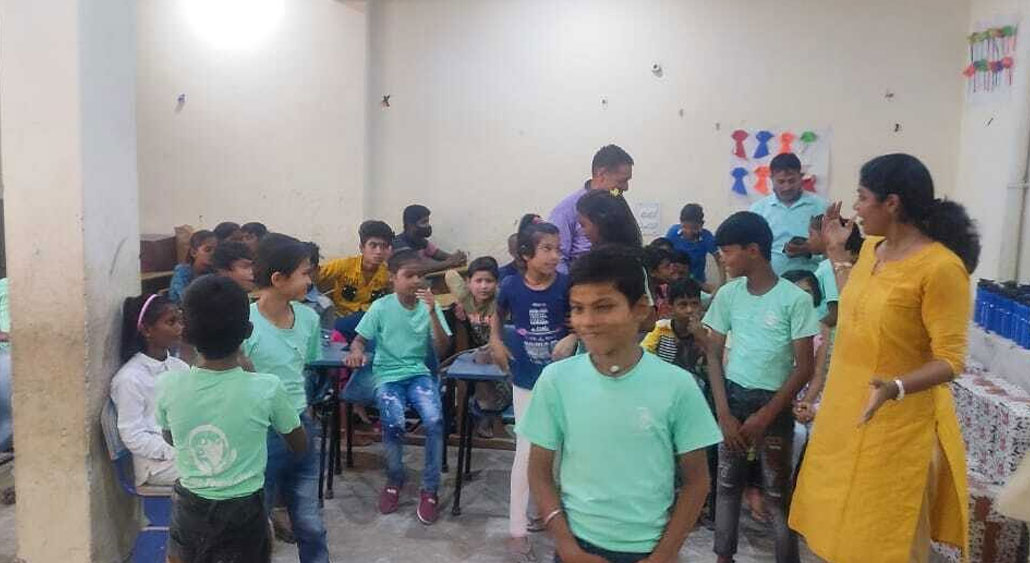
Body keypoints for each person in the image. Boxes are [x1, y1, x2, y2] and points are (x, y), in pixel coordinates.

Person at [791, 154, 980, 562]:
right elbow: (856, 307)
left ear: (891, 203)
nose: (855, 208)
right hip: (847, 414)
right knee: (836, 530)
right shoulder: (871, 251)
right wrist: (835, 251)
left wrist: (895, 387)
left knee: (884, 539)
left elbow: (951, 360)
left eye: (862, 197)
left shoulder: (941, 268)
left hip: (897, 429)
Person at [520, 245, 722, 563]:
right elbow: (539, 470)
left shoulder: (678, 386)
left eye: (603, 307)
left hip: (649, 549)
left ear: (640, 309)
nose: (588, 321)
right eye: (578, 309)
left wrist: (664, 554)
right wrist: (567, 546)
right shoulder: (556, 380)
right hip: (576, 547)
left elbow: (697, 482)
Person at [157, 275, 306, 563]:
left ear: (185, 333)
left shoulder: (168, 385)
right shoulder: (267, 387)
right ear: (248, 330)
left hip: (190, 510)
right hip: (245, 511)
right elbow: (299, 444)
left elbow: (171, 437)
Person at [702, 211, 819, 563]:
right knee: (727, 485)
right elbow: (712, 354)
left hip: (774, 406)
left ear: (753, 250)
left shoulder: (794, 299)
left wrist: (766, 415)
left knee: (777, 493)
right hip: (733, 400)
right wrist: (723, 413)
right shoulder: (728, 295)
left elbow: (805, 367)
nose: (723, 258)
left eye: (728, 251)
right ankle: (724, 557)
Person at [489, 216, 578, 560]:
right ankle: (516, 529)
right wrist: (496, 340)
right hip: (525, 380)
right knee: (526, 452)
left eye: (558, 249)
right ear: (526, 254)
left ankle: (549, 513)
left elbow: (579, 319)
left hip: (562, 381)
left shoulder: (566, 285)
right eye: (547, 249)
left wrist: (572, 336)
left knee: (560, 453)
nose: (555, 256)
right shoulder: (511, 285)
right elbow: (497, 314)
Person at [344, 249, 451, 525]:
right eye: (409, 275)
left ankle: (430, 489)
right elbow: (359, 340)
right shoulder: (381, 307)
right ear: (393, 277)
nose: (416, 281)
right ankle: (394, 479)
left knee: (435, 420)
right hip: (387, 375)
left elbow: (442, 348)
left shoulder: (429, 305)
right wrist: (356, 352)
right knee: (393, 423)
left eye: (421, 275)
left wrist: (432, 313)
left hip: (419, 374)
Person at [242, 234, 329, 562]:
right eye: (304, 273)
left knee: (310, 523)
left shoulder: (309, 318)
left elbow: (304, 365)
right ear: (278, 279)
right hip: (259, 432)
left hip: (300, 425)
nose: (310, 280)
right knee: (256, 520)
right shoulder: (245, 323)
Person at [641, 277, 718, 523]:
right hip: (662, 400)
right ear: (670, 307)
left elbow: (714, 368)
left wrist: (700, 339)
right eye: (682, 305)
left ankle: (695, 505)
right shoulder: (661, 330)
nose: (689, 310)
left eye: (694, 304)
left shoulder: (707, 333)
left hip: (695, 404)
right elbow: (644, 359)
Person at [110, 294, 186, 487]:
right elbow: (133, 435)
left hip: (186, 452)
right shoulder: (129, 378)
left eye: (180, 320)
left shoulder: (180, 367)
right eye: (171, 322)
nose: (180, 327)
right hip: (155, 465)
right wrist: (174, 452)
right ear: (146, 330)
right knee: (217, 470)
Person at [445, 256, 510, 438]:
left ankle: (488, 416)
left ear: (497, 283)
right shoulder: (466, 297)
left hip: (500, 354)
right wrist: (461, 297)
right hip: (475, 355)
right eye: (478, 281)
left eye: (489, 281)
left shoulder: (500, 302)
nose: (483, 286)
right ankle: (473, 417)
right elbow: (450, 274)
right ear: (468, 282)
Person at [549, 144, 634, 273]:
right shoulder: (567, 209)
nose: (626, 187)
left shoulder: (617, 201)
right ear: (601, 174)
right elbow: (558, 259)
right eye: (622, 181)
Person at [749, 153, 828, 275]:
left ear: (801, 177)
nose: (787, 187)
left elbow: (833, 248)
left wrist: (809, 249)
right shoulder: (758, 210)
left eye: (792, 181)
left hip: (813, 278)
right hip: (770, 279)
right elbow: (750, 249)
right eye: (781, 182)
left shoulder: (821, 206)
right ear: (771, 179)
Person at [320, 220, 394, 339]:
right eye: (373, 245)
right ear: (362, 247)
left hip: (369, 324)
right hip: (341, 322)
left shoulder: (388, 273)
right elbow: (315, 276)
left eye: (383, 246)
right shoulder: (344, 265)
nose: (379, 251)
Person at [392, 204, 467, 274]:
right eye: (424, 222)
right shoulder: (399, 243)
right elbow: (418, 267)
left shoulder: (421, 241)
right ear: (410, 225)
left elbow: (439, 254)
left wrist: (458, 258)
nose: (428, 225)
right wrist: (449, 262)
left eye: (428, 221)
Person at [666, 203, 721, 284]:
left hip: (697, 283)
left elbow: (720, 261)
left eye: (694, 228)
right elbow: (664, 256)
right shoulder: (673, 233)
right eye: (685, 227)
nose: (689, 232)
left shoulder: (707, 237)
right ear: (680, 222)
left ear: (701, 225)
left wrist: (722, 285)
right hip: (673, 280)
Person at [169, 230, 216, 304]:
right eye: (208, 250)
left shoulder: (214, 271)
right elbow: (188, 300)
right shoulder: (182, 272)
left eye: (217, 250)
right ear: (193, 252)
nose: (213, 253)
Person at [302, 242, 336, 331]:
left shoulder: (324, 305)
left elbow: (325, 336)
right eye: (299, 272)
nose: (305, 278)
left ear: (317, 271)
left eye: (308, 272)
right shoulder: (281, 298)